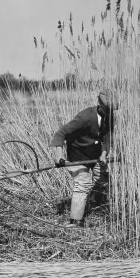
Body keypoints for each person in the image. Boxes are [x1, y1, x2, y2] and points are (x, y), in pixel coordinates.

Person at [50, 89, 119, 227]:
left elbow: (107, 137)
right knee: (83, 183)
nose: (108, 113)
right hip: (77, 155)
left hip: (95, 155)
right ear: (99, 104)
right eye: (106, 109)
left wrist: (104, 153)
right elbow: (60, 134)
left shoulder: (110, 117)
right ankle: (75, 221)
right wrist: (59, 156)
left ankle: (95, 204)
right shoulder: (85, 117)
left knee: (103, 179)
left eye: (111, 110)